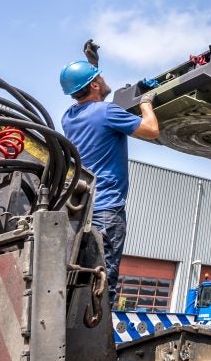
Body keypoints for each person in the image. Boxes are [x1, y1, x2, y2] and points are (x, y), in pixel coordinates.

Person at [59, 60, 159, 305]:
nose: (104, 80)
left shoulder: (69, 117)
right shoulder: (106, 112)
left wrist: (92, 63)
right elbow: (151, 129)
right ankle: (95, 334)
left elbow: (94, 107)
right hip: (107, 209)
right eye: (99, 77)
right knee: (103, 280)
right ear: (94, 84)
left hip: (82, 208)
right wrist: (146, 101)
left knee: (81, 274)